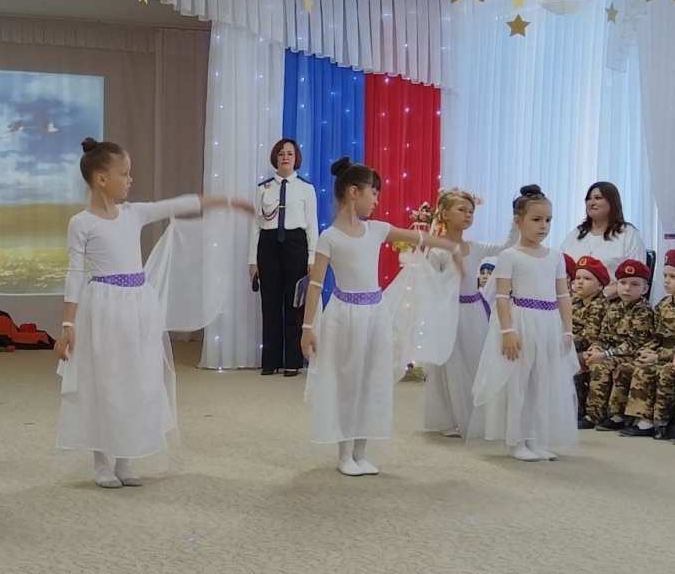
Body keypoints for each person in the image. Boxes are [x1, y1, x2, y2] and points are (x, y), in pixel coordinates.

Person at [55, 138, 253, 488]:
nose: (130, 180)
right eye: (124, 173)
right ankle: (101, 460)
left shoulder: (133, 213)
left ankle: (125, 457)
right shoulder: (81, 223)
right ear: (101, 179)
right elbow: (73, 273)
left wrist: (226, 201)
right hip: (104, 309)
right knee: (105, 381)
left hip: (138, 306)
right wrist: (68, 322)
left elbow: (176, 204)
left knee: (137, 378)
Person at [300, 157, 462, 477]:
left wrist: (450, 246)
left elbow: (416, 238)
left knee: (371, 380)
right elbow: (315, 284)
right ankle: (344, 453)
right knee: (347, 382)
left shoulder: (377, 229)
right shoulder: (329, 237)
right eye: (373, 193)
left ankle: (361, 451)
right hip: (343, 317)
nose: (376, 200)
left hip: (375, 316)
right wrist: (307, 327)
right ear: (353, 192)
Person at [467, 185, 578, 461]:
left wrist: (567, 329)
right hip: (522, 322)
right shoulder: (510, 256)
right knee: (519, 382)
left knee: (542, 383)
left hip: (548, 324)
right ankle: (515, 440)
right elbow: (502, 296)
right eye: (536, 219)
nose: (544, 225)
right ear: (518, 221)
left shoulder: (555, 256)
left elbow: (563, 295)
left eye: (548, 220)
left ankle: (535, 438)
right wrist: (507, 331)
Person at [423, 188, 517, 437]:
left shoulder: (475, 247)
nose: (468, 215)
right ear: (445, 214)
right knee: (450, 366)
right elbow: (431, 285)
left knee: (476, 361)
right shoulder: (437, 251)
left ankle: (477, 416)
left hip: (473, 311)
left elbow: (507, 246)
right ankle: (450, 418)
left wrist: (515, 220)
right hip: (449, 313)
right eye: (461, 210)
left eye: (471, 211)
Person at [249, 139, 318, 377]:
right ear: (275, 158)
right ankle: (271, 360)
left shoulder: (306, 189)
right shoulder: (263, 188)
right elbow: (255, 225)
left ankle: (293, 361)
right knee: (270, 303)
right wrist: (252, 260)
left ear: (296, 158)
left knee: (294, 304)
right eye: (281, 154)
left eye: (289, 153)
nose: (285, 157)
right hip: (268, 246)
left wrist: (311, 258)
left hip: (296, 245)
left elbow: (312, 226)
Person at [580, 259, 654, 430]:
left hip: (632, 354)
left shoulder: (643, 310)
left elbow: (635, 344)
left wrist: (605, 354)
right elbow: (603, 336)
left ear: (645, 289)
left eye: (634, 284)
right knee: (589, 361)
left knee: (602, 367)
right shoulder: (613, 307)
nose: (627, 288)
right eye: (623, 283)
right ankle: (589, 412)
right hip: (611, 353)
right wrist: (595, 349)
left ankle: (605, 416)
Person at [618, 251, 675, 438]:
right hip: (661, 352)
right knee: (639, 365)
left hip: (673, 356)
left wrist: (658, 356)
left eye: (673, 277)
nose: (667, 280)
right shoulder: (663, 304)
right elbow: (656, 337)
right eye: (665, 276)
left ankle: (661, 423)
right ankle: (641, 420)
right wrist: (646, 351)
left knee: (663, 371)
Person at [560, 182, 646, 297]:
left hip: (611, 300)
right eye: (589, 199)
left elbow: (637, 277)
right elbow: (560, 267)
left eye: (598, 198)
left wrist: (602, 296)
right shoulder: (577, 233)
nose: (592, 203)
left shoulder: (628, 234)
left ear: (612, 202)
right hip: (573, 299)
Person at [570, 255, 611, 423]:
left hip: (594, 348)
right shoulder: (573, 301)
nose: (580, 282)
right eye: (577, 278)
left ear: (600, 285)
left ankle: (582, 411)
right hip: (571, 346)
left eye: (587, 279)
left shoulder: (601, 305)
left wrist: (565, 342)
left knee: (572, 361)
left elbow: (590, 337)